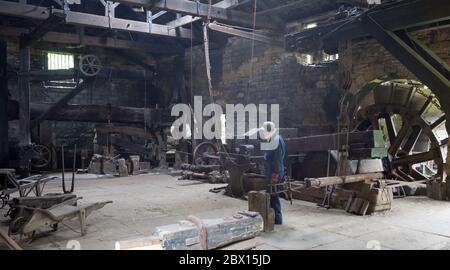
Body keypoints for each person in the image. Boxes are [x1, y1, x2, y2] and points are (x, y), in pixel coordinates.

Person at [260, 121, 285, 225]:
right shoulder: (275, 139)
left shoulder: (276, 141)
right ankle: (273, 219)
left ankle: (277, 220)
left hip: (274, 173)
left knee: (274, 196)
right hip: (273, 172)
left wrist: (274, 176)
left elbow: (278, 160)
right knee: (272, 196)